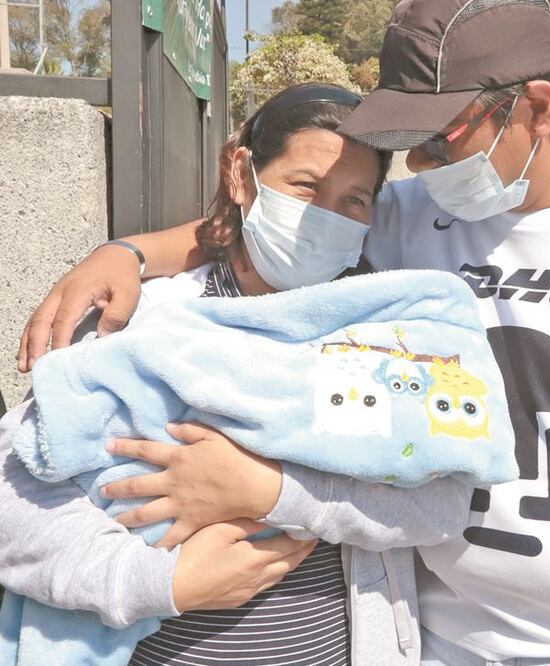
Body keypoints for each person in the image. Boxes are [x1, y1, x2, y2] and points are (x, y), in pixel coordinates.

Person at [16, 1, 550, 664]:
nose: (418, 163)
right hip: (437, 635)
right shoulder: (413, 214)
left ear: (535, 108)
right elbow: (284, 226)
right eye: (406, 144)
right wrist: (127, 254)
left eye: (439, 138)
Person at [0, 82, 475, 666]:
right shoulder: (137, 320)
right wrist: (155, 583)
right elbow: (16, 492)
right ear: (241, 175)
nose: (324, 216)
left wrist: (273, 490)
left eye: (354, 200)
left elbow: (440, 505)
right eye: (305, 186)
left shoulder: (385, 340)